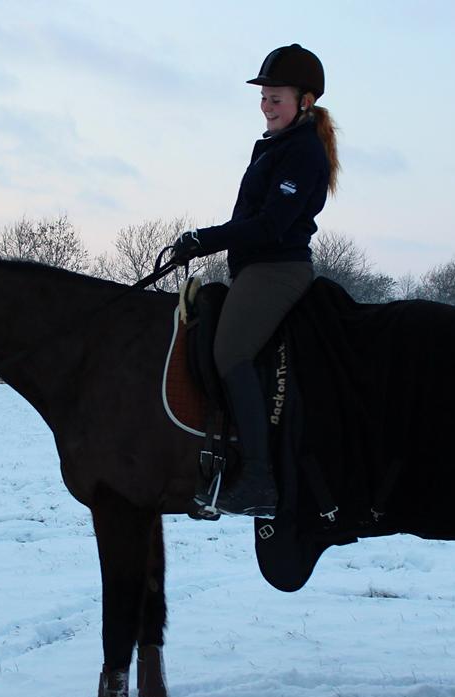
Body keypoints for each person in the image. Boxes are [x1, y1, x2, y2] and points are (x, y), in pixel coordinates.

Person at [171, 43, 340, 519]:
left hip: (278, 269)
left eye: (277, 97)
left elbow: (270, 226)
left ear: (305, 101)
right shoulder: (274, 145)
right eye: (264, 96)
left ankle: (261, 479)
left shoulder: (304, 152)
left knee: (230, 352)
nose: (266, 105)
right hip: (251, 268)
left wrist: (204, 239)